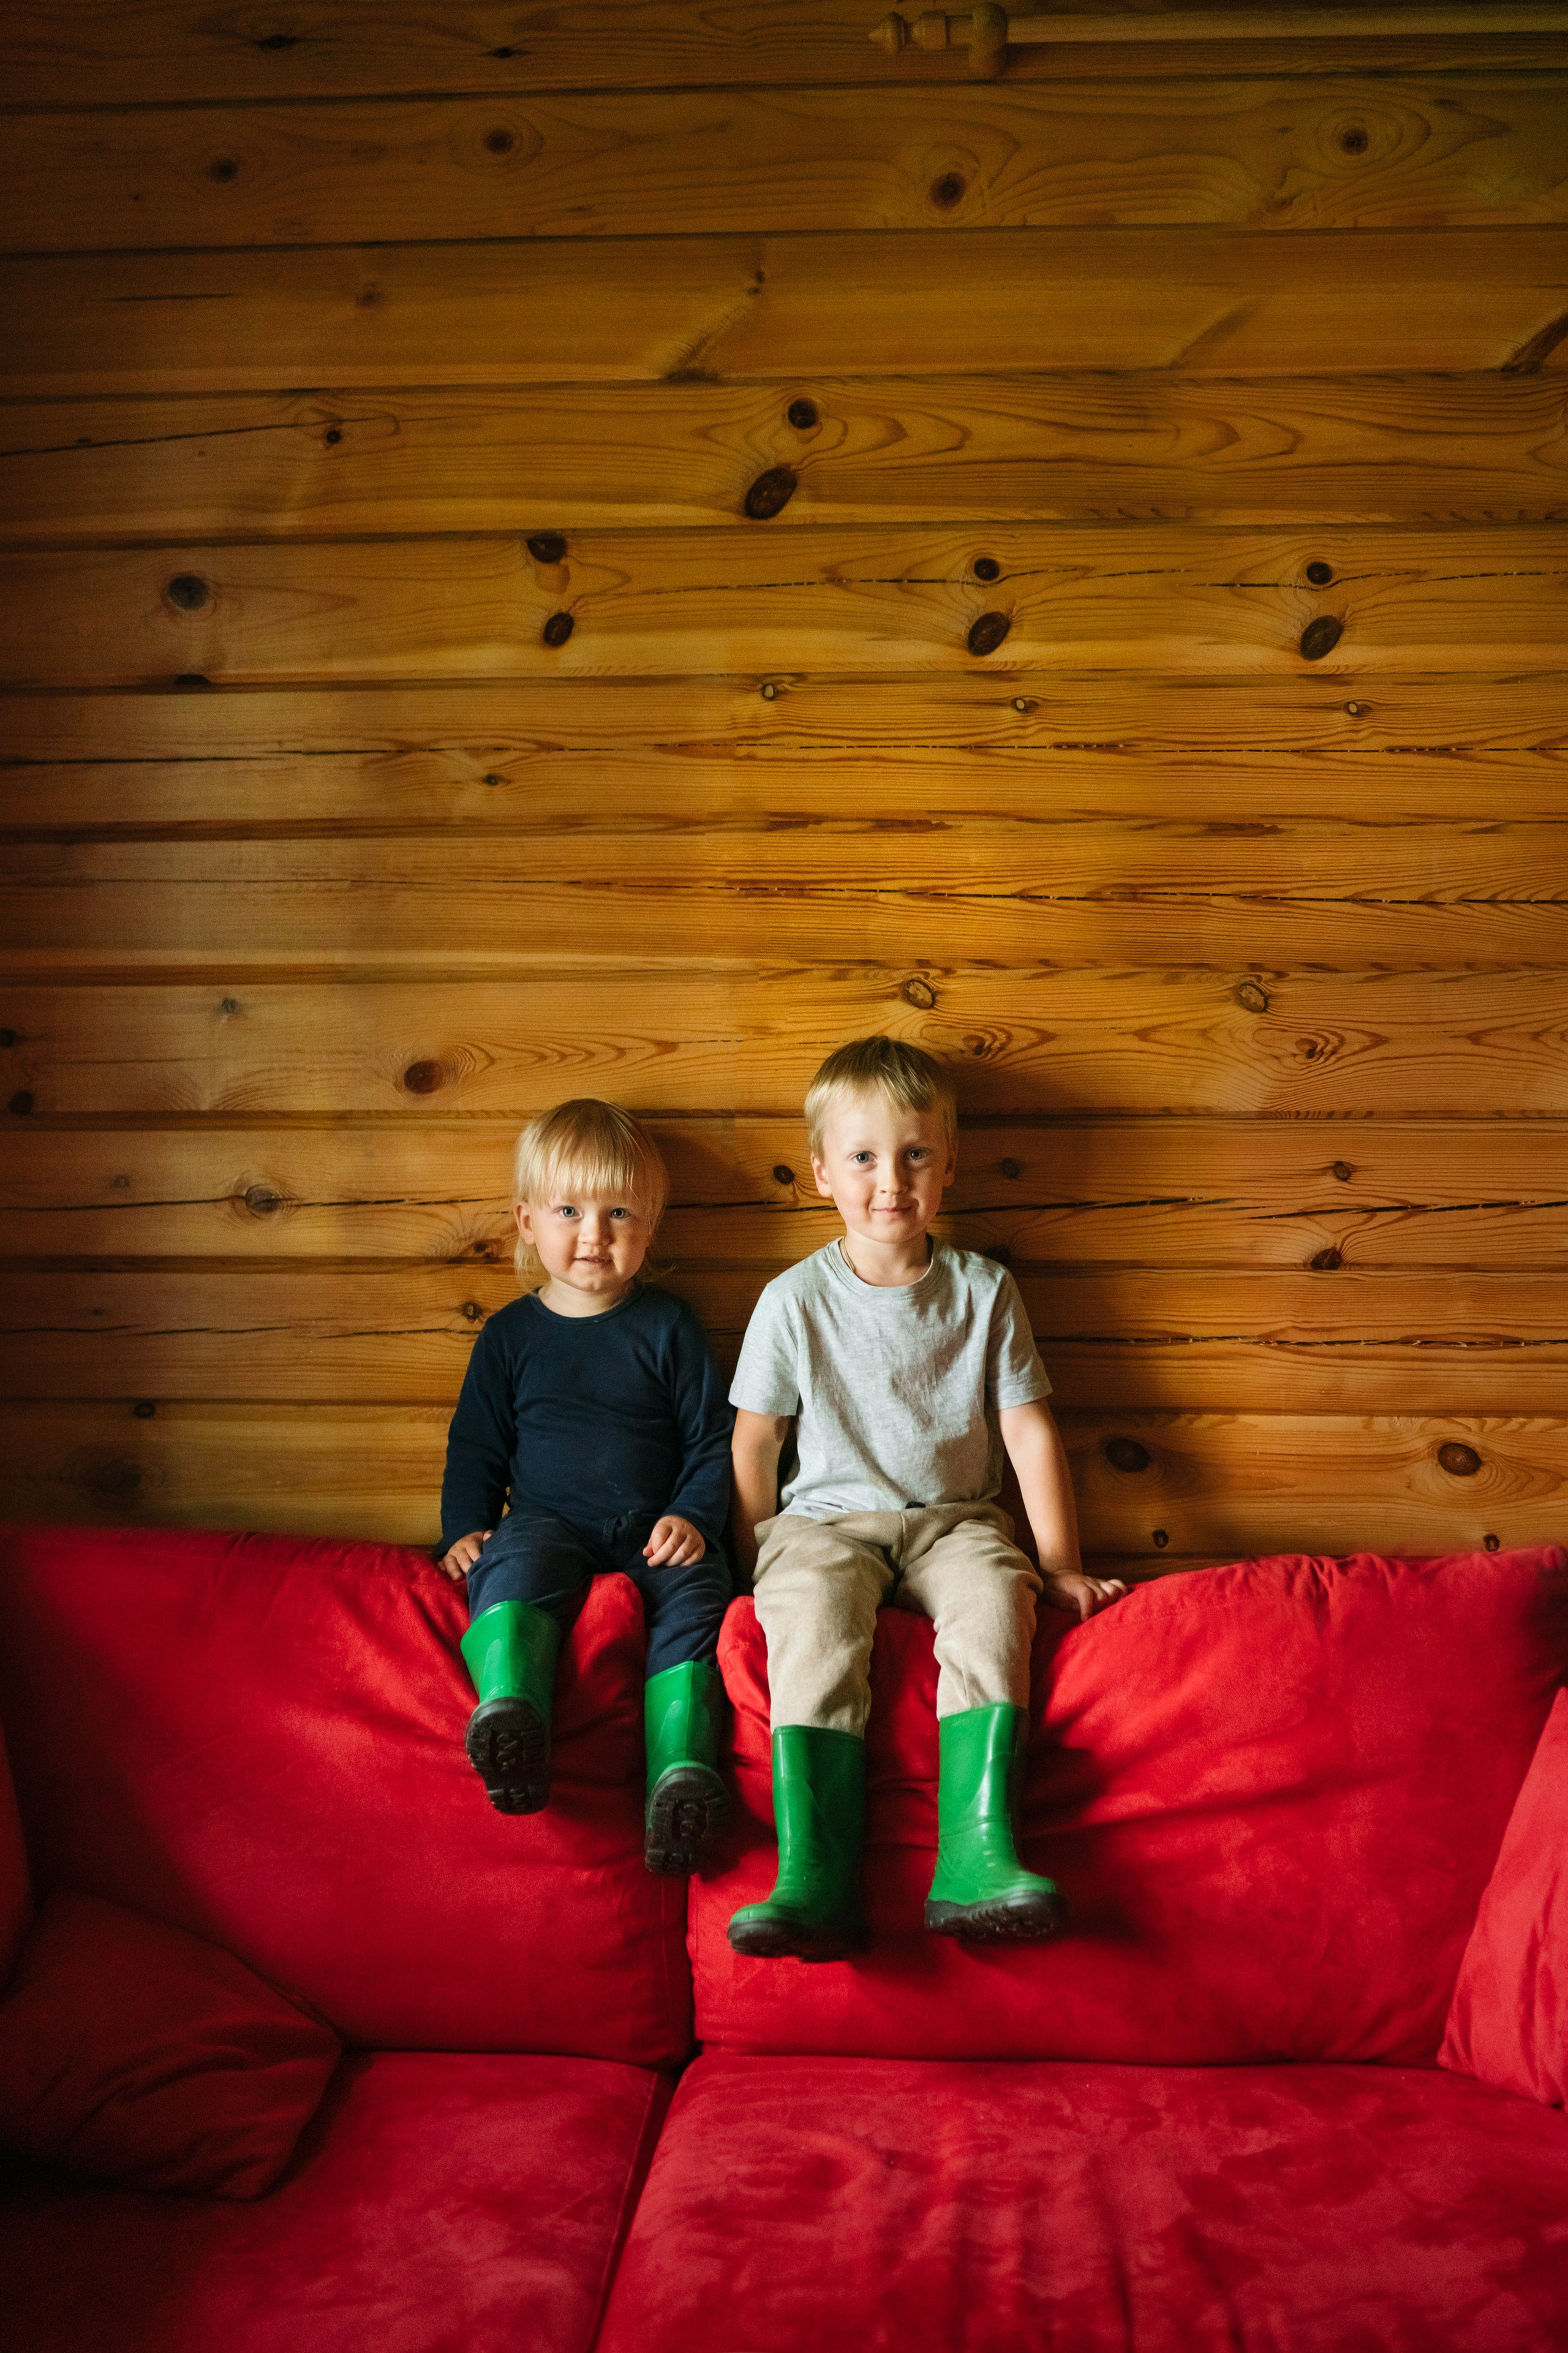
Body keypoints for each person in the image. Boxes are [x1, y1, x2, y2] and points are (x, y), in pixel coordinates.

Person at [726, 1036, 1126, 1960]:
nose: (890, 1180)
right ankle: (814, 1880)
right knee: (816, 1625)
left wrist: (1058, 1562)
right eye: (864, 1156)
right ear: (823, 1170)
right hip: (824, 1527)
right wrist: (753, 1564)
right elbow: (755, 1441)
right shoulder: (792, 1301)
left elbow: (1027, 1433)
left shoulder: (985, 1292)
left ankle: (978, 1862)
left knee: (996, 1606)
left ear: (949, 1164)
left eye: (914, 1154)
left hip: (957, 1522)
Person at [438, 1098, 733, 1876]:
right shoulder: (510, 1336)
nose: (594, 1234)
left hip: (652, 1525)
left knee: (702, 1591)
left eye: (618, 1211)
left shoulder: (669, 1326)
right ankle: (512, 1712)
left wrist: (693, 1514)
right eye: (570, 1210)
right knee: (511, 1565)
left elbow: (712, 1439)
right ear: (528, 1221)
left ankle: (680, 1771)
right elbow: (476, 1444)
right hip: (547, 1519)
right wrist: (466, 1526)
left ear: (650, 1224)